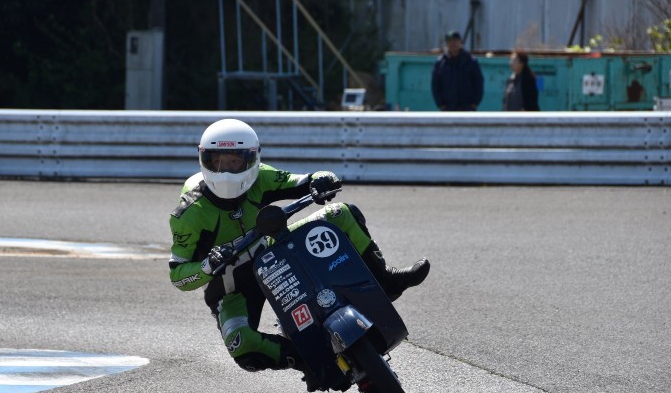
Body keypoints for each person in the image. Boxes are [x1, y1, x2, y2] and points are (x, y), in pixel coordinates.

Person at [168, 119, 430, 375]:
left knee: (340, 213)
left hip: (273, 253)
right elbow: (178, 276)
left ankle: (386, 281)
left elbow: (302, 180)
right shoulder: (188, 213)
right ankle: (312, 363)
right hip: (231, 285)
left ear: (252, 159)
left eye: (234, 161)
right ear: (204, 159)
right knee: (242, 345)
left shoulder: (262, 176)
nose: (225, 170)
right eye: (217, 161)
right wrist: (208, 265)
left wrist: (322, 178)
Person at [431, 31, 484, 111]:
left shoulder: (470, 61)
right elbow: (435, 85)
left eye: (455, 40)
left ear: (460, 42)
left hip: (467, 108)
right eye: (450, 41)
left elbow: (478, 82)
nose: (453, 43)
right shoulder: (440, 63)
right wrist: (441, 104)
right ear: (446, 43)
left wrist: (475, 103)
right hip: (448, 108)